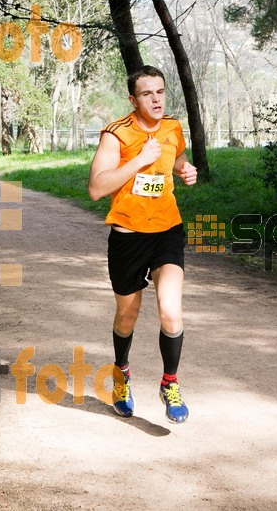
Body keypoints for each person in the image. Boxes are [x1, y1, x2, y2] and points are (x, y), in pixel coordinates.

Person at [87, 65, 197, 423]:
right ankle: (121, 375)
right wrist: (139, 160)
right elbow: (96, 188)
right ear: (133, 99)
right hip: (128, 237)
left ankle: (170, 383)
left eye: (160, 92)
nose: (156, 99)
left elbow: (175, 157)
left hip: (167, 231)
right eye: (147, 94)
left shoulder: (172, 128)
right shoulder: (115, 135)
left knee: (170, 310)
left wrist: (185, 169)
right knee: (127, 316)